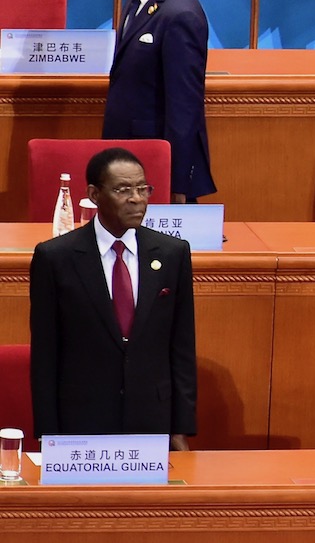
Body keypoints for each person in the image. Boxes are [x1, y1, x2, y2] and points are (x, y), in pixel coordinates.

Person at [29, 148, 196, 447]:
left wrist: (181, 428)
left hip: (152, 419)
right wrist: (47, 433)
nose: (137, 198)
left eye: (142, 188)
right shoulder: (55, 258)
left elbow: (181, 347)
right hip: (81, 422)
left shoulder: (173, 254)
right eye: (123, 189)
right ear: (94, 195)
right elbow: (45, 354)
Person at [103, 0, 215, 201]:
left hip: (153, 168)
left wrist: (175, 182)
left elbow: (184, 106)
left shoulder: (181, 13)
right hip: (127, 154)